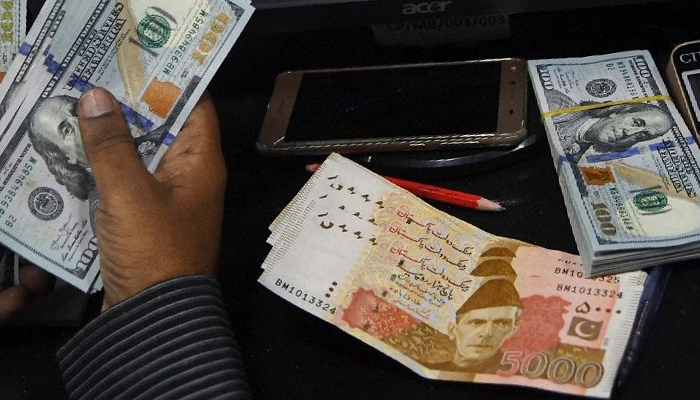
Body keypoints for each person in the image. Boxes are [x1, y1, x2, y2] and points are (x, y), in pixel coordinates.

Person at [2, 87, 251, 399]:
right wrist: (159, 298)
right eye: (65, 128)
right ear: (64, 157)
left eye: (75, 110)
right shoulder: (100, 206)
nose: (79, 121)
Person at [544, 89, 673, 162]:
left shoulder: (576, 159)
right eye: (636, 122)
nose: (629, 133)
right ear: (617, 112)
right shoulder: (559, 105)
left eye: (642, 135)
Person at [430, 279, 521, 373]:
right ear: (452, 330)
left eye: (501, 323)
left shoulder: (514, 376)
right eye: (477, 322)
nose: (487, 333)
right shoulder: (428, 371)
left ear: (512, 330)